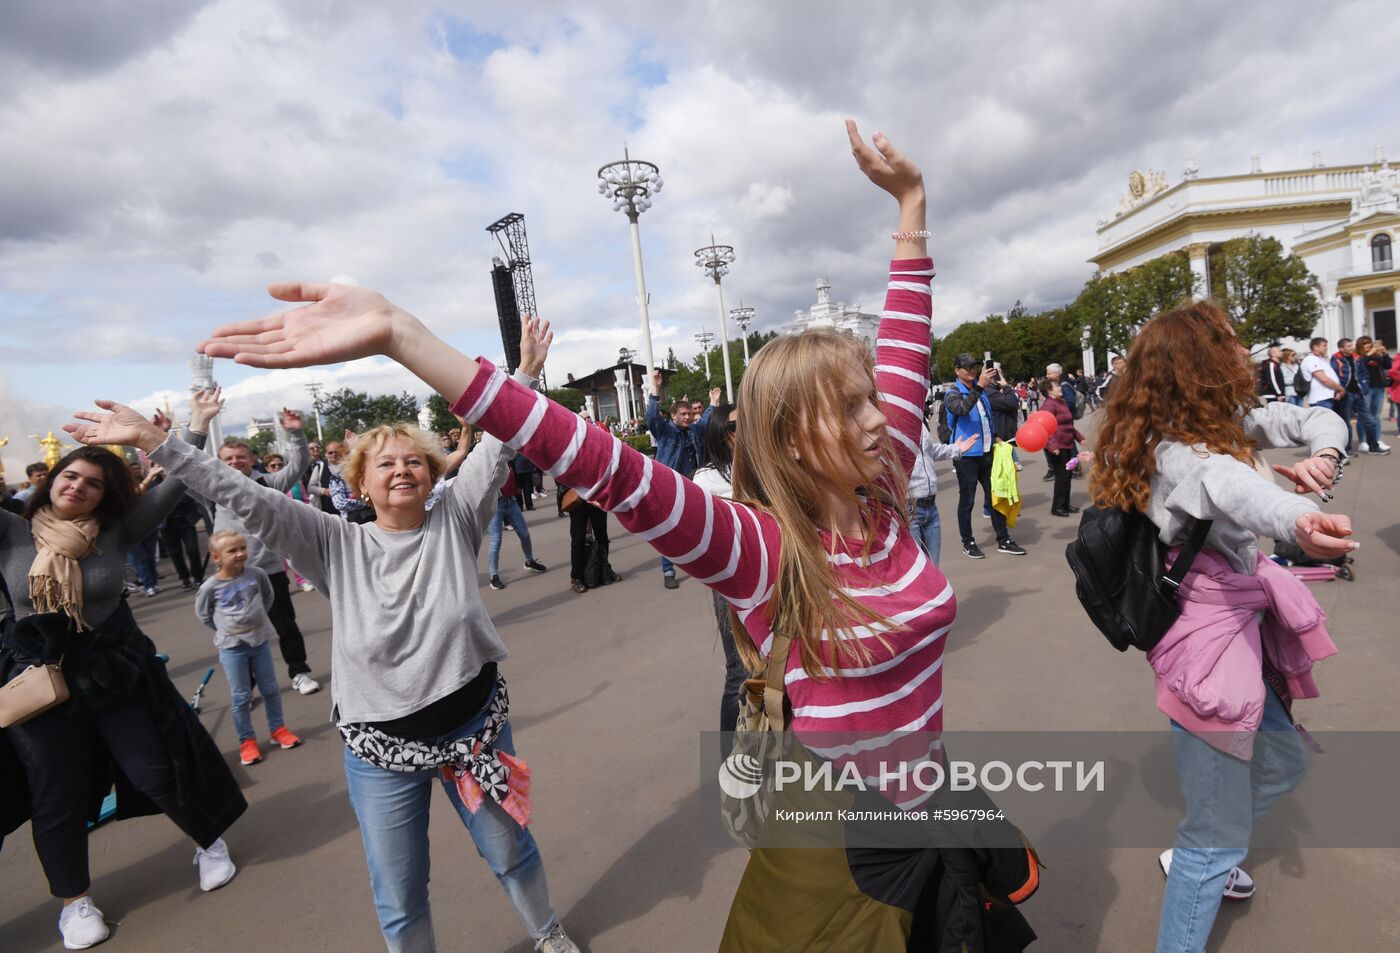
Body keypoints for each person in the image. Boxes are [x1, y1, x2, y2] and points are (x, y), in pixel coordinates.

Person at [192, 122, 1035, 950]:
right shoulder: (763, 547)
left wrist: (912, 207)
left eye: (870, 397)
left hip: (931, 795)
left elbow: (907, 348)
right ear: (788, 438)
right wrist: (404, 337)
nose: (878, 416)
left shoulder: (883, 495)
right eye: (849, 406)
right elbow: (599, 461)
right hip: (839, 847)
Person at [70, 328, 580, 953]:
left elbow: (499, 443)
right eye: (385, 462)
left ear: (433, 473)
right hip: (380, 752)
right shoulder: (332, 540)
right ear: (360, 484)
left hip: (474, 730)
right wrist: (157, 441)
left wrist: (523, 375)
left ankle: (546, 930)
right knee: (400, 892)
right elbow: (240, 494)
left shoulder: (455, 516)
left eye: (414, 459)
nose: (402, 469)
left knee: (510, 851)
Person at [1091, 300, 1353, 953]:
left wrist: (1324, 453)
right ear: (1199, 364)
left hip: (1237, 626)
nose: (1244, 352)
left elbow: (1311, 414)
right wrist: (1297, 518)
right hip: (1206, 646)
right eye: (1230, 343)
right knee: (1216, 837)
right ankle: (1203, 859)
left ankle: (1202, 853)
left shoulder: (1224, 420)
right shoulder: (1175, 452)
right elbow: (1227, 483)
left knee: (1285, 760)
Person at [2, 390, 244, 950]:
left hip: (113, 674)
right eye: (71, 476)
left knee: (155, 769)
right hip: (38, 683)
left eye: (92, 483)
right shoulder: (10, 531)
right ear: (51, 479)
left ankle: (209, 843)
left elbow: (180, 478)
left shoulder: (116, 533)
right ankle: (74, 903)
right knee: (54, 796)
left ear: (105, 495)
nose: (78, 487)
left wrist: (197, 424)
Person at [191, 420, 321, 695]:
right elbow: (182, 471)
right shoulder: (212, 489)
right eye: (228, 458)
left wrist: (296, 432)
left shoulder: (268, 483)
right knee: (237, 633)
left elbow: (298, 464)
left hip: (269, 568)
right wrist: (171, 435)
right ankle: (246, 685)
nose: (235, 462)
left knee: (286, 625)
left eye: (240, 457)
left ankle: (299, 672)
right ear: (220, 462)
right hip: (231, 577)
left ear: (252, 459)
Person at [196, 530, 305, 766]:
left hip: (259, 643)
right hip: (232, 648)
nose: (240, 554)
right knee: (242, 696)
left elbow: (268, 597)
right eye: (232, 551)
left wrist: (256, 621)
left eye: (242, 548)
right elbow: (204, 615)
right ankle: (247, 741)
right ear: (216, 558)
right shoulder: (210, 587)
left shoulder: (257, 574)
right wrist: (227, 629)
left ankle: (278, 729)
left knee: (271, 689)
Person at [691, 403, 748, 733]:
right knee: (739, 670)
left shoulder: (764, 465)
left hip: (775, 576)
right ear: (721, 434)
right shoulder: (706, 479)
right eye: (738, 426)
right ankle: (730, 760)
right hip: (732, 582)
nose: (747, 430)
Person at [944, 353, 1027, 558]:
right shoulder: (952, 393)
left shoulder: (981, 393)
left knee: (995, 496)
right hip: (966, 455)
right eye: (967, 367)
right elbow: (962, 410)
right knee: (968, 500)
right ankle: (968, 541)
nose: (972, 370)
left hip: (988, 452)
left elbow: (987, 420)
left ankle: (1003, 538)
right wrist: (980, 386)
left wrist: (997, 437)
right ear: (957, 370)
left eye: (974, 367)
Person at [644, 378, 718, 589]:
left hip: (693, 485)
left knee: (696, 524)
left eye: (689, 414)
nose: (687, 417)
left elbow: (704, 421)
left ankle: (700, 564)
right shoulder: (665, 431)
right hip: (669, 487)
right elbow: (651, 417)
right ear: (674, 416)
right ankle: (668, 569)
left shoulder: (693, 431)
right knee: (670, 528)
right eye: (683, 414)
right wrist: (655, 392)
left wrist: (712, 403)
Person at [907, 403, 976, 565]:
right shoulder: (888, 425)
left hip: (931, 506)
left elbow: (929, 451)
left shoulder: (919, 420)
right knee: (918, 571)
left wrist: (956, 449)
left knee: (933, 569)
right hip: (909, 509)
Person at [486, 467, 547, 591]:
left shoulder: (507, 460)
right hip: (494, 505)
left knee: (524, 534)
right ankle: (494, 576)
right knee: (496, 540)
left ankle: (529, 561)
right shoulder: (486, 462)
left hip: (511, 502)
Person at [1038, 379, 1087, 517]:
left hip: (1067, 444)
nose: (1060, 388)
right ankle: (1057, 507)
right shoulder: (1048, 405)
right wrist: (1052, 445)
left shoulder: (1061, 402)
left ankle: (1065, 504)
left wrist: (1079, 437)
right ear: (1049, 390)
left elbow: (1068, 425)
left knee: (1068, 475)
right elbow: (1045, 428)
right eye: (1056, 386)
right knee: (1062, 477)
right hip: (1057, 446)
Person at [1352, 336, 1392, 454]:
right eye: (1365, 344)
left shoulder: (1376, 355)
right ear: (1360, 346)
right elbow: (1360, 363)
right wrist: (1369, 354)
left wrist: (1385, 354)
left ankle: (1377, 439)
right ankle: (1362, 442)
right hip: (1366, 389)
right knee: (1364, 416)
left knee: (1376, 416)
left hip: (1378, 387)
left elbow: (1388, 365)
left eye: (1369, 343)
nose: (1368, 345)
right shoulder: (1358, 357)